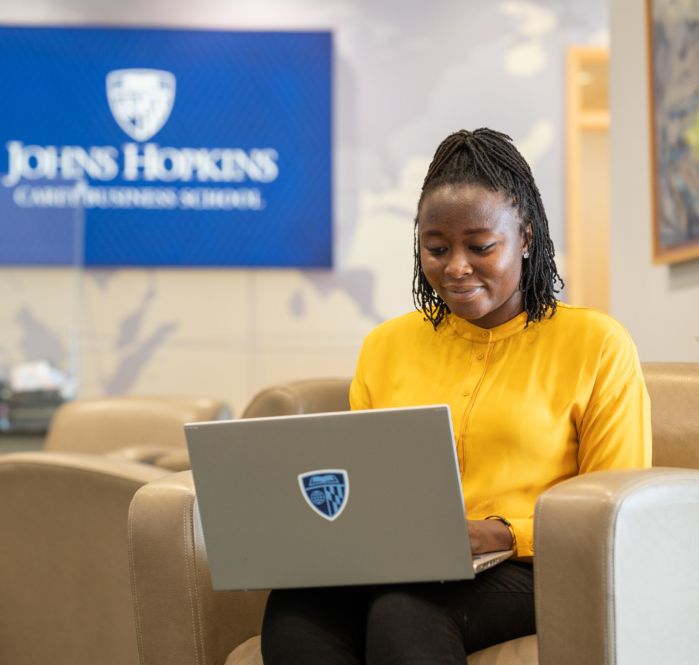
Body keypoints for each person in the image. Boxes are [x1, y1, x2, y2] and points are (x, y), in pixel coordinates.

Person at [260, 128, 651, 665]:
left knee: (406, 609)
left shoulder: (597, 344)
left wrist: (502, 533)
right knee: (298, 610)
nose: (456, 268)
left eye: (481, 246)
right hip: (407, 562)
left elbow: (617, 510)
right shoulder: (385, 345)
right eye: (436, 248)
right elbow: (366, 489)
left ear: (527, 238)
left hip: (536, 565)